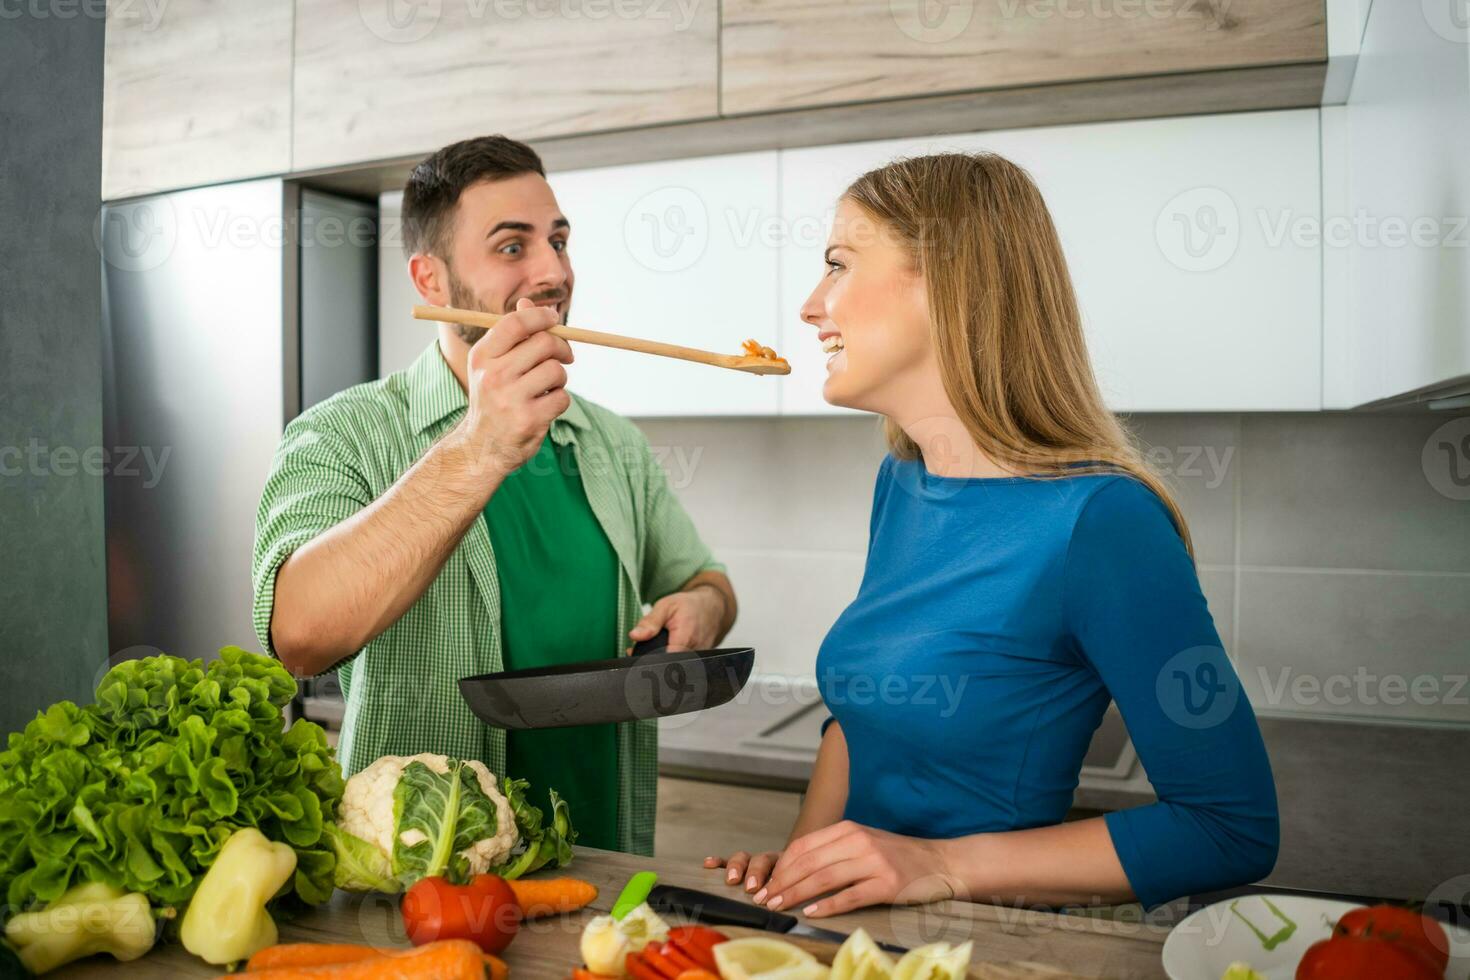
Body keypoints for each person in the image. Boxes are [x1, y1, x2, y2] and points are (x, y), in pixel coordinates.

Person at [706, 152, 1277, 913]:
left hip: (983, 943)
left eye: (838, 265)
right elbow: (860, 717)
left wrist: (936, 864)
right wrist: (800, 879)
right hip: (861, 944)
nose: (812, 305)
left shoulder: (1103, 522)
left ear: (947, 284)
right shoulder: (904, 483)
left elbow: (1229, 829)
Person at [252, 135, 737, 856]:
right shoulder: (342, 434)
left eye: (559, 240)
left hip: (604, 859)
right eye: (512, 248)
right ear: (431, 281)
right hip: (425, 873)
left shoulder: (612, 442)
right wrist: (479, 448)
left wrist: (701, 607)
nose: (554, 272)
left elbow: (708, 582)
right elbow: (298, 637)